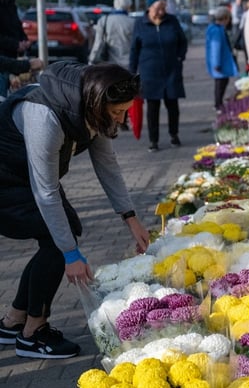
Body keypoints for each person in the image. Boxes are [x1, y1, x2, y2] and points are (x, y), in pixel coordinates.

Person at [0, 61, 150, 359]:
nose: (121, 119)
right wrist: (70, 254)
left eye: (125, 111)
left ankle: (13, 321)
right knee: (59, 241)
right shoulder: (45, 117)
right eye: (117, 112)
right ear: (97, 104)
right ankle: (33, 334)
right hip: (6, 179)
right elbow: (45, 193)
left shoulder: (93, 108)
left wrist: (131, 218)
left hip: (25, 176)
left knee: (63, 232)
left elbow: (107, 165)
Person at [129, 0, 188, 152]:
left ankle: (174, 134)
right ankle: (153, 140)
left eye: (163, 8)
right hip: (150, 72)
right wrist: (132, 71)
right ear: (149, 7)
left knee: (172, 105)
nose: (161, 12)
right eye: (158, 8)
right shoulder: (140, 24)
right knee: (152, 107)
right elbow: (134, 49)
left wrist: (180, 57)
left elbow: (182, 42)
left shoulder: (172, 21)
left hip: (171, 70)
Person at [0, 0, 31, 97]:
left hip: (11, 58)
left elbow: (16, 25)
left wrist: (24, 40)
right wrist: (16, 45)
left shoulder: (10, 3)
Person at [88, 0, 135, 69]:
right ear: (128, 6)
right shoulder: (133, 22)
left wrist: (91, 61)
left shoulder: (104, 21)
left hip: (110, 66)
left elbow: (98, 44)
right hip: (129, 66)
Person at [205, 6, 238, 113]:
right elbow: (216, 47)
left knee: (221, 83)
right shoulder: (217, 31)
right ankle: (218, 105)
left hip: (221, 61)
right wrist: (216, 63)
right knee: (220, 84)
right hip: (220, 62)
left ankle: (218, 104)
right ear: (224, 18)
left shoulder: (215, 29)